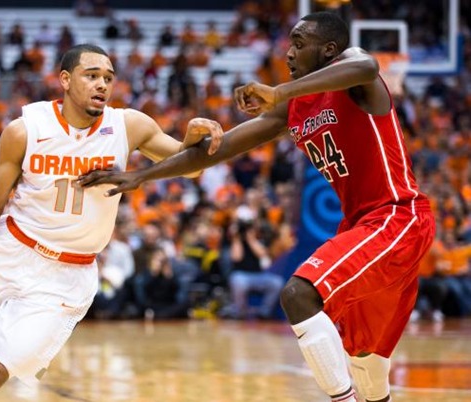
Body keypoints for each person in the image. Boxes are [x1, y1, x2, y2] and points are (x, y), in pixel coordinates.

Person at [78, 12, 436, 402]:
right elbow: (213, 153)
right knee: (365, 357)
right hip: (361, 227)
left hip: (398, 214)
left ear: (329, 50)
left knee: (298, 294)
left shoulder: (356, 73)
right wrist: (140, 176)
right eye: (290, 44)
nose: (289, 53)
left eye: (300, 44)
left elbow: (366, 65)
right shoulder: (294, 108)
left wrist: (280, 91)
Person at [0, 43, 223, 402]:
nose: (102, 85)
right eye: (91, 75)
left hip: (64, 278)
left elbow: (190, 167)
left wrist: (192, 140)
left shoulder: (129, 126)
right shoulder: (25, 130)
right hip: (8, 251)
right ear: (65, 80)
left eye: (108, 78)